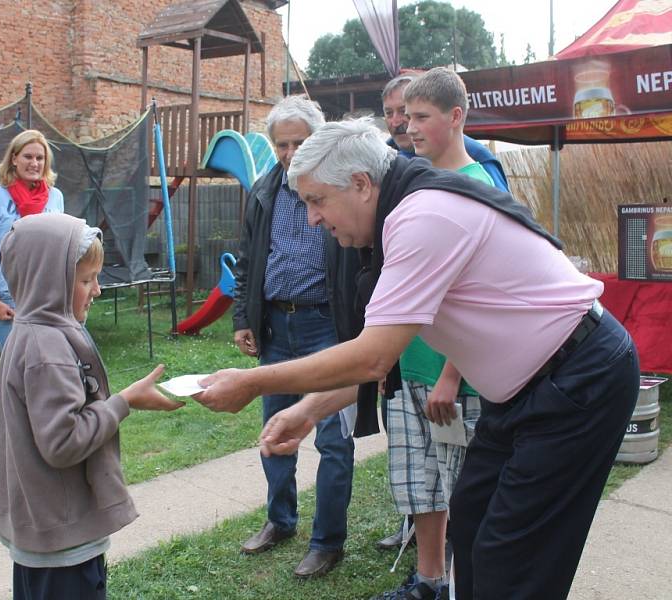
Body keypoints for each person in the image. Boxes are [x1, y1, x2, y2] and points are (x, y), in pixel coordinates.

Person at [195, 119, 639, 600]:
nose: (311, 220)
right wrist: (307, 410)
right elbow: (390, 361)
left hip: (578, 378)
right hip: (527, 389)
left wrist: (254, 381)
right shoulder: (401, 215)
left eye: (317, 200)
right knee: (470, 522)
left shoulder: (422, 217)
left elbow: (371, 358)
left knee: (512, 557)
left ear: (362, 185)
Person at [0, 212, 184, 599]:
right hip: (63, 541)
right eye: (85, 280)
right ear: (49, 281)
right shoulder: (49, 348)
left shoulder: (28, 331)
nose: (97, 290)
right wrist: (124, 402)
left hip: (42, 533)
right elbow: (63, 442)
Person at [372, 67, 504, 600]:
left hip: (457, 381)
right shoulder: (415, 180)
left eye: (419, 116)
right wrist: (391, 364)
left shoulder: (479, 185)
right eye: (403, 116)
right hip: (411, 369)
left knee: (462, 490)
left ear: (455, 118)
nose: (407, 126)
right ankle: (429, 580)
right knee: (418, 485)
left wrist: (452, 375)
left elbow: (484, 297)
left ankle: (468, 586)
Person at [231, 95, 355, 578]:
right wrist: (244, 317)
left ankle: (327, 541)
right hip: (275, 326)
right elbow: (246, 260)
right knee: (277, 431)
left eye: (298, 142)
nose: (288, 152)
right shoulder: (263, 191)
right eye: (281, 143)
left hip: (328, 324)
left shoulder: (336, 187)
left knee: (332, 438)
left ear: (316, 141)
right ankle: (280, 520)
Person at [0, 129, 65, 351]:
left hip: (48, 296)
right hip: (10, 297)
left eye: (40, 158)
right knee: (16, 373)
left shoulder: (56, 197)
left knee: (48, 369)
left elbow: (61, 247)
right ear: (14, 158)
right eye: (28, 156)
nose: (34, 163)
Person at [381, 73, 509, 191]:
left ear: (454, 117)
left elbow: (504, 209)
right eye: (388, 113)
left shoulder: (477, 158)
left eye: (421, 117)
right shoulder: (385, 158)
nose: (396, 122)